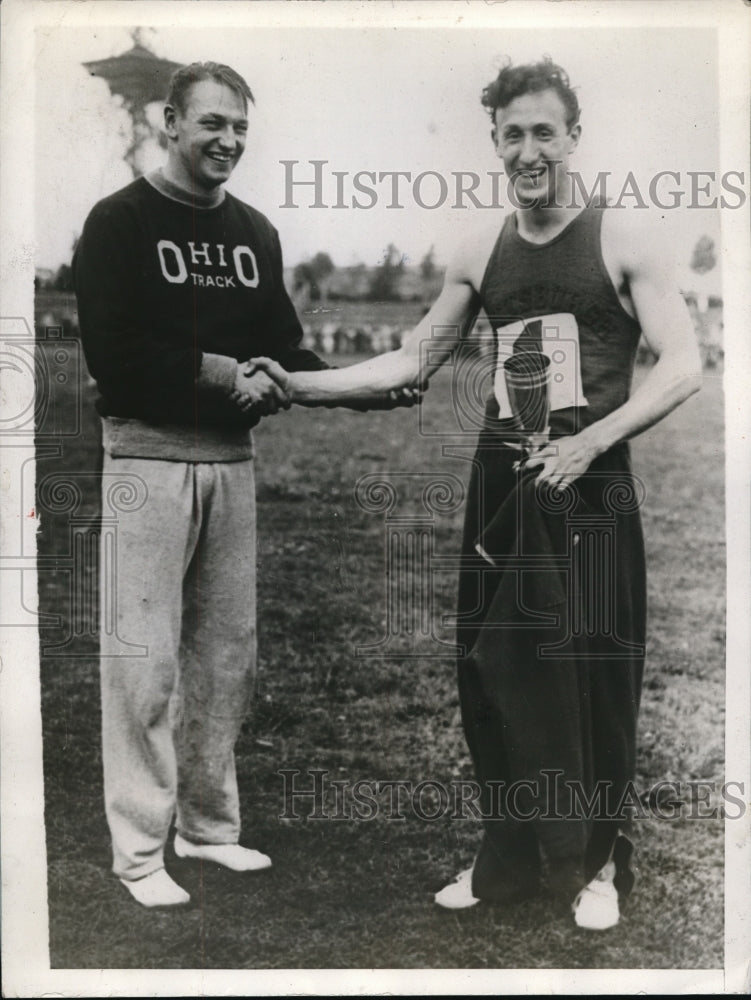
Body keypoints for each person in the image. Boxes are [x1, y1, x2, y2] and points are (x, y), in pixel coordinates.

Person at [252, 57, 702, 929]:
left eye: (544, 131)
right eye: (511, 135)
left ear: (573, 136)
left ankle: (599, 865)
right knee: (491, 672)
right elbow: (415, 362)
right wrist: (301, 386)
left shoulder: (623, 238)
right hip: (502, 487)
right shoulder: (477, 247)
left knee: (596, 675)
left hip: (593, 486)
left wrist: (590, 442)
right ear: (493, 143)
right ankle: (506, 858)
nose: (528, 149)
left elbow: (681, 364)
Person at [73, 61, 411, 908]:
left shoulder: (255, 231)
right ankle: (141, 854)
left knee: (225, 660)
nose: (228, 141)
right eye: (212, 124)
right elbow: (116, 357)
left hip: (231, 467)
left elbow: (288, 354)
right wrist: (229, 375)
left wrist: (369, 384)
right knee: (143, 665)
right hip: (145, 461)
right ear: (170, 122)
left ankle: (208, 830)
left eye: (241, 128)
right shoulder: (118, 221)